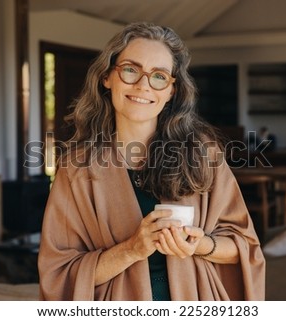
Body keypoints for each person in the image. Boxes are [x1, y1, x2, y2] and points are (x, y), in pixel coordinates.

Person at [38, 22, 265, 301]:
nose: (143, 86)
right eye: (131, 70)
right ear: (107, 76)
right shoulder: (76, 169)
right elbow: (59, 274)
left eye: (158, 76)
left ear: (171, 90)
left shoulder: (204, 154)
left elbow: (244, 247)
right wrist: (132, 249)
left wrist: (200, 244)